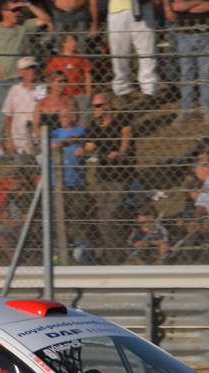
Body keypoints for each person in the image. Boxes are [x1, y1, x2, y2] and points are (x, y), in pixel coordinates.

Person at [0, 0, 52, 162]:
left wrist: (28, 5)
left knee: (36, 111)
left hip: (27, 79)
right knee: (1, 114)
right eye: (14, 10)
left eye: (19, 10)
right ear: (4, 12)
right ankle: (0, 149)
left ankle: (35, 146)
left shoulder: (24, 26)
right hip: (4, 81)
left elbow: (45, 19)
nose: (18, 13)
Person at [83, 91, 136, 261]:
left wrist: (121, 151)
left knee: (108, 218)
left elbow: (126, 137)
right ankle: (114, 254)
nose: (94, 109)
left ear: (108, 105)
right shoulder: (96, 124)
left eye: (98, 106)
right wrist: (82, 151)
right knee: (105, 219)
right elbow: (90, 146)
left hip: (120, 176)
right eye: (93, 106)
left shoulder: (121, 119)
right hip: (103, 175)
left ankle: (115, 257)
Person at [93, 0, 159, 101]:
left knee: (147, 51)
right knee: (119, 53)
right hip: (118, 9)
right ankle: (122, 88)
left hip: (144, 7)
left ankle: (149, 89)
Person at [164, 0, 209, 125]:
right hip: (184, 34)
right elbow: (176, 6)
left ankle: (207, 110)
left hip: (205, 33)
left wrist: (185, 6)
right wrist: (197, 2)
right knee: (186, 75)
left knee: (206, 74)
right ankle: (186, 110)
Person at [50, 107, 92, 245]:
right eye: (60, 117)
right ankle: (61, 246)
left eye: (64, 116)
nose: (60, 119)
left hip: (76, 183)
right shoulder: (54, 133)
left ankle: (81, 246)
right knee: (59, 217)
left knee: (78, 216)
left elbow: (77, 137)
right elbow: (42, 143)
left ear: (74, 117)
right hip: (58, 183)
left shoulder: (81, 130)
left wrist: (61, 143)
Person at [1, 56, 42, 162]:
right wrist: (8, 139)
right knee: (22, 172)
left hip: (38, 140)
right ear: (20, 72)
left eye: (33, 67)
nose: (31, 71)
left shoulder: (41, 88)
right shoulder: (15, 90)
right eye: (27, 68)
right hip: (19, 141)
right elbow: (7, 117)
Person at [32, 68, 77, 143]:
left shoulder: (69, 100)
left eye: (65, 81)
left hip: (63, 141)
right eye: (60, 81)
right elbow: (36, 126)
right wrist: (45, 139)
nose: (63, 84)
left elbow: (75, 121)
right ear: (50, 83)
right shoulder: (41, 103)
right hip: (44, 140)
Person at [45, 33, 92, 102]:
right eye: (70, 41)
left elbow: (88, 76)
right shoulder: (58, 59)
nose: (74, 43)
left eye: (75, 40)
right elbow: (49, 74)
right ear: (63, 43)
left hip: (79, 94)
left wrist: (88, 94)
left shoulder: (81, 56)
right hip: (64, 95)